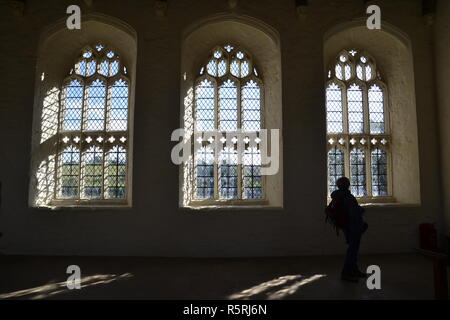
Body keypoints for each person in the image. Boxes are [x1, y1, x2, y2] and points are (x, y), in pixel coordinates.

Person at [331, 177, 368, 282]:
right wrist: (360, 211)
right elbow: (353, 214)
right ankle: (346, 273)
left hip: (346, 227)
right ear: (347, 185)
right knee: (352, 251)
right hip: (353, 227)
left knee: (353, 250)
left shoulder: (337, 196)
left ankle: (354, 270)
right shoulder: (347, 197)